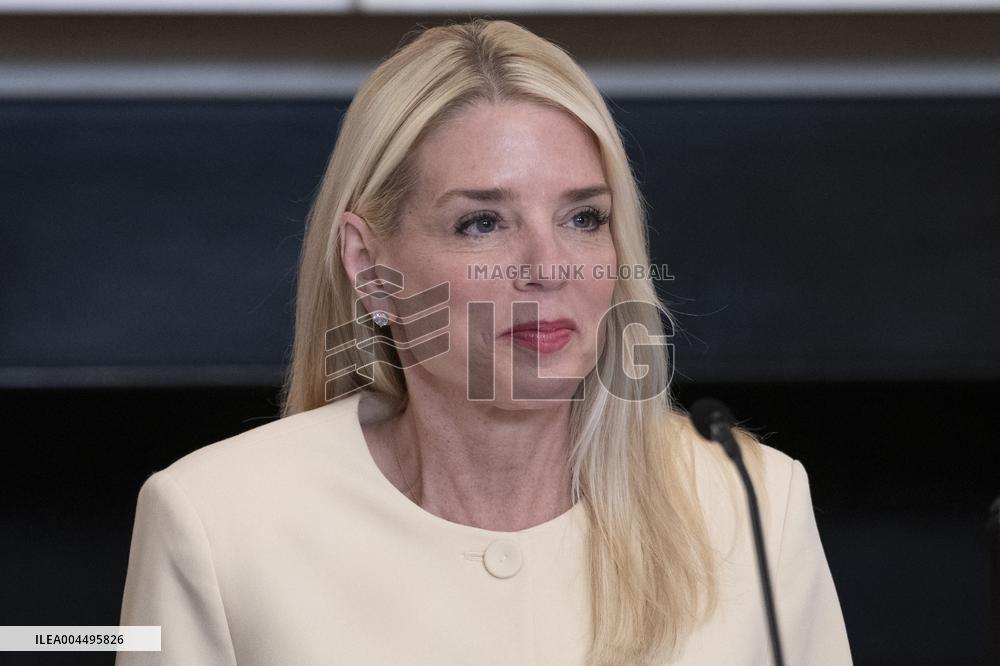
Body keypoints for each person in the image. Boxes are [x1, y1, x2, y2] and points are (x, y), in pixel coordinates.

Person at [116, 18, 852, 666]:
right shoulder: (217, 521)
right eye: (483, 223)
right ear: (371, 269)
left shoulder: (753, 501)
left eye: (584, 219)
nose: (547, 267)